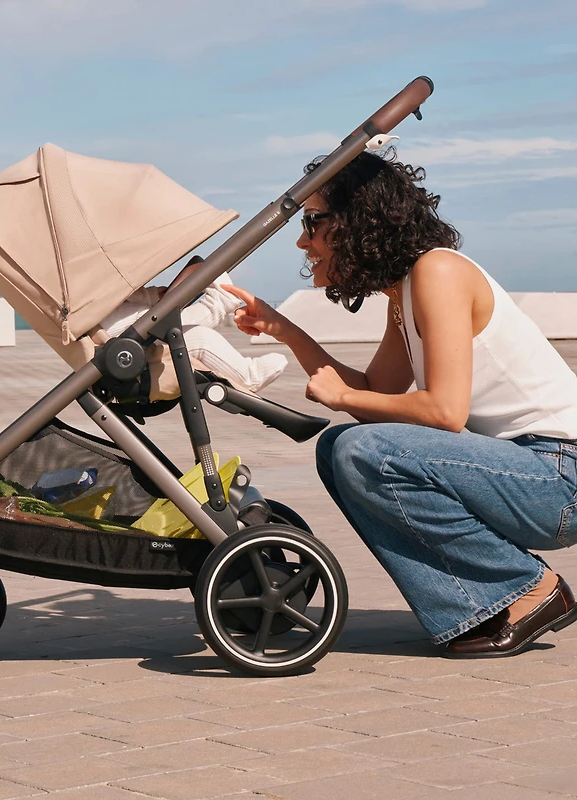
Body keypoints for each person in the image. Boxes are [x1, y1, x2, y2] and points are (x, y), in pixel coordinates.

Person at [224, 149, 577, 658]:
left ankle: (527, 589)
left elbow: (445, 412)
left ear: (357, 220)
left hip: (559, 478)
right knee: (341, 446)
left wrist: (343, 395)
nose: (303, 240)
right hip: (527, 472)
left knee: (361, 450)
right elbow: (377, 399)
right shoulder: (405, 291)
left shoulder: (438, 272)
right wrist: (283, 329)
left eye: (313, 221)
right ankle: (485, 599)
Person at [102, 256, 287, 394]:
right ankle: (247, 376)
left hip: (105, 319)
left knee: (175, 323)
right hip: (110, 331)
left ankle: (222, 299)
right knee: (197, 337)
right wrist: (151, 298)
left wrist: (151, 296)